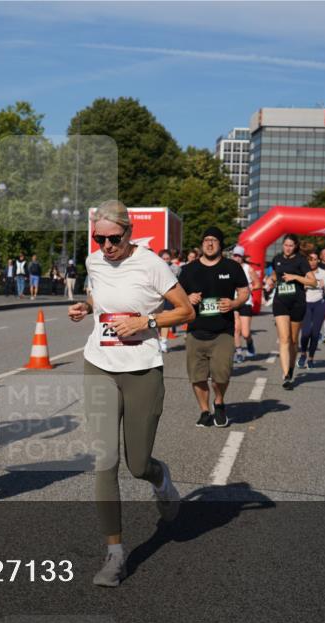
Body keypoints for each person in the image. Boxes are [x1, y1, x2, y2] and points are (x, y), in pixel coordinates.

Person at [68, 199, 193, 587]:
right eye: (99, 239)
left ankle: (161, 479)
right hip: (99, 365)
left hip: (142, 370)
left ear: (129, 232)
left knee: (137, 464)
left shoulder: (152, 264)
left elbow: (185, 310)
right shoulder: (94, 262)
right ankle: (115, 554)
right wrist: (86, 306)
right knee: (105, 461)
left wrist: (147, 321)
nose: (106, 246)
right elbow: (100, 295)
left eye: (114, 239)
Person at [179, 228, 249, 427]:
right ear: (202, 243)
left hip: (223, 330)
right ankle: (204, 411)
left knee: (221, 375)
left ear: (220, 244)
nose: (210, 243)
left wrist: (234, 303)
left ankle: (219, 402)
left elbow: (244, 292)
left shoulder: (232, 267)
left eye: (214, 240)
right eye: (206, 240)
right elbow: (176, 295)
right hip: (195, 330)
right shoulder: (189, 269)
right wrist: (187, 298)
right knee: (197, 376)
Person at [264, 234, 316, 389]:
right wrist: (271, 280)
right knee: (284, 339)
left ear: (295, 246)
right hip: (280, 302)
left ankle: (291, 368)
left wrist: (295, 277)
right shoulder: (277, 258)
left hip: (297, 303)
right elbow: (276, 273)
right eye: (285, 245)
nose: (287, 248)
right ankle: (286, 375)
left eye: (290, 246)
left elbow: (313, 282)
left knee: (293, 341)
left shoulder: (301, 260)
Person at [297, 252, 325, 370]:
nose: (312, 262)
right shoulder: (302, 272)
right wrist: (304, 287)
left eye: (314, 259)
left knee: (315, 333)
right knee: (306, 333)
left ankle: (311, 358)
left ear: (318, 261)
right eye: (310, 259)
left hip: (319, 304)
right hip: (306, 304)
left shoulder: (323, 273)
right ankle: (303, 354)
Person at [230, 245, 259, 362]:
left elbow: (258, 284)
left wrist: (250, 289)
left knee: (245, 333)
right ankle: (239, 352)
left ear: (242, 257)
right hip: (234, 301)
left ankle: (250, 343)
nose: (237, 258)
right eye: (235, 255)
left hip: (246, 301)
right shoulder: (229, 268)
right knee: (236, 329)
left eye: (239, 256)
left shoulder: (248, 269)